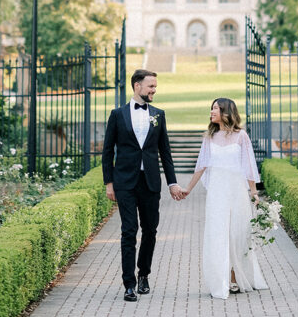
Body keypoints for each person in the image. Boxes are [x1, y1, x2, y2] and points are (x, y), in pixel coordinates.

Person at [102, 69, 183, 302]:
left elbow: (165, 152)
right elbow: (108, 152)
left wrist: (172, 183)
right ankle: (128, 284)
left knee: (150, 230)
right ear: (137, 86)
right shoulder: (117, 115)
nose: (154, 90)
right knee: (128, 231)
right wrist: (109, 183)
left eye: (155, 86)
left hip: (150, 183)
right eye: (151, 86)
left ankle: (143, 275)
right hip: (125, 183)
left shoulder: (159, 114)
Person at [181, 98, 268, 300]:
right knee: (218, 234)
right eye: (211, 108)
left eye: (216, 109)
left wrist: (254, 192)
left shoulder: (241, 136)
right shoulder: (209, 137)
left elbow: (249, 165)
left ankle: (235, 277)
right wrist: (188, 189)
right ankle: (221, 280)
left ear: (226, 112)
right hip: (217, 193)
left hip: (237, 190)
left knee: (238, 234)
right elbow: (201, 166)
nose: (211, 112)